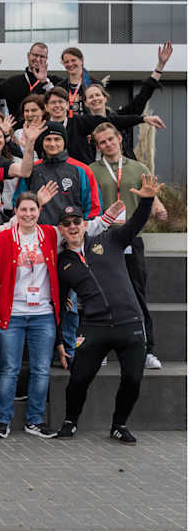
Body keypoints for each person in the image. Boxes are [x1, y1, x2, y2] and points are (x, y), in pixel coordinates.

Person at [55, 175, 163, 444]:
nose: (73, 227)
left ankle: (119, 425)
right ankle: (70, 421)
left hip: (130, 323)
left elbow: (136, 223)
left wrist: (147, 200)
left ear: (85, 224)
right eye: (67, 224)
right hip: (94, 327)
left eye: (77, 222)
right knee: (79, 378)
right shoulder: (62, 263)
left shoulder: (110, 240)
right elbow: (59, 304)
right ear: (61, 229)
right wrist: (59, 340)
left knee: (133, 379)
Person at [88, 123, 168, 370]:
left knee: (136, 294)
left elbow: (151, 195)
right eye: (102, 142)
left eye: (111, 139)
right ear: (98, 146)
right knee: (98, 295)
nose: (108, 144)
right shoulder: (91, 171)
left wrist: (159, 207)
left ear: (120, 139)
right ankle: (98, 349)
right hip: (102, 239)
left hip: (131, 237)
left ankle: (146, 350)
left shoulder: (138, 168)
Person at [0, 192, 62, 439]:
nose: (28, 214)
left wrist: (108, 217)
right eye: (23, 210)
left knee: (41, 369)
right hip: (12, 314)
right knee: (9, 368)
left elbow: (83, 229)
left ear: (39, 211)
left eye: (32, 210)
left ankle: (35, 420)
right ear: (15, 212)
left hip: (43, 314)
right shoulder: (3, 238)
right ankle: (2, 420)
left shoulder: (51, 234)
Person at [0, 43, 61, 118]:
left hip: (46, 125)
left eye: (42, 56)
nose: (38, 59)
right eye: (35, 55)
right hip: (19, 126)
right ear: (28, 55)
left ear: (46, 59)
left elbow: (62, 100)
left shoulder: (54, 81)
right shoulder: (13, 82)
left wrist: (45, 82)